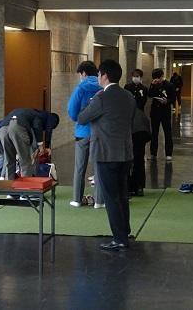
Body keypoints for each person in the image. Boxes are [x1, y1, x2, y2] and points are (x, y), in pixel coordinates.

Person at [78, 59, 136, 251]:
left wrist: (91, 101)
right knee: (122, 194)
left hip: (106, 154)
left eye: (99, 74)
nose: (98, 77)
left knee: (111, 197)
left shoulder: (101, 97)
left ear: (104, 76)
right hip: (125, 152)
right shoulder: (129, 96)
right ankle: (124, 231)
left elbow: (82, 118)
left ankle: (119, 238)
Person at [68, 60, 104, 208]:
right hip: (99, 132)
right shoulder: (103, 87)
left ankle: (77, 199)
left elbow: (72, 110)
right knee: (99, 166)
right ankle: (99, 201)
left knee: (80, 167)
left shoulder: (81, 87)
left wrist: (79, 119)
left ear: (83, 73)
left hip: (82, 132)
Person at [0, 108, 59, 179]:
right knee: (25, 161)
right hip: (17, 125)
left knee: (9, 160)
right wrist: (42, 146)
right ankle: (26, 184)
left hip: (2, 128)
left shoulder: (28, 113)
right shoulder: (42, 116)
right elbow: (40, 126)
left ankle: (8, 183)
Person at [148, 68, 176, 162]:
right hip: (155, 112)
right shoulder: (153, 84)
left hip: (165, 112)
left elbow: (173, 98)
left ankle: (168, 154)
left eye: (158, 78)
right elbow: (149, 94)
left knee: (167, 133)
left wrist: (167, 101)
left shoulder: (169, 85)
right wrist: (152, 85)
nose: (157, 80)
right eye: (155, 78)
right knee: (154, 133)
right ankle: (153, 153)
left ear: (162, 76)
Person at [129, 107, 151, 196]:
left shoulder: (120, 109)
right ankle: (139, 187)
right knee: (139, 160)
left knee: (127, 161)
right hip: (143, 132)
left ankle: (129, 187)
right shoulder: (137, 110)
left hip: (133, 132)